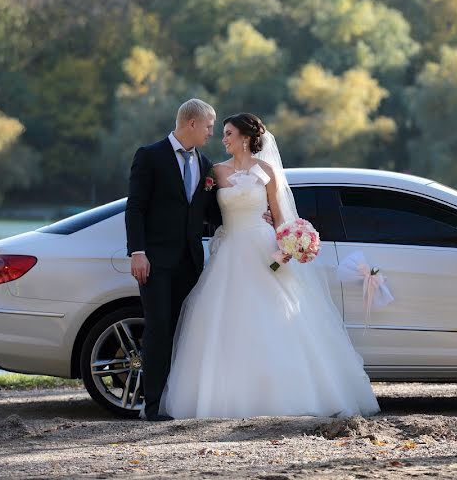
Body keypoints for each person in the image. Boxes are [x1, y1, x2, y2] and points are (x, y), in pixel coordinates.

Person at [161, 113, 379, 419]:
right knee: (225, 321)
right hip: (231, 250)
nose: (223, 139)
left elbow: (278, 215)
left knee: (278, 317)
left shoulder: (267, 171)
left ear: (246, 138)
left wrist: (288, 245)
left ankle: (288, 395)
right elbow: (205, 211)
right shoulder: (215, 171)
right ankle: (228, 398)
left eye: (228, 133)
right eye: (222, 133)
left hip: (264, 251)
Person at [124, 99, 225, 421]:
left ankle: (178, 401)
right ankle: (152, 407)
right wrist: (137, 252)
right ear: (191, 124)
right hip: (155, 262)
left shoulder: (206, 163)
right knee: (158, 330)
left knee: (187, 331)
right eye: (209, 126)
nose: (212, 132)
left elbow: (209, 212)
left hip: (191, 262)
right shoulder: (150, 156)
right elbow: (135, 208)